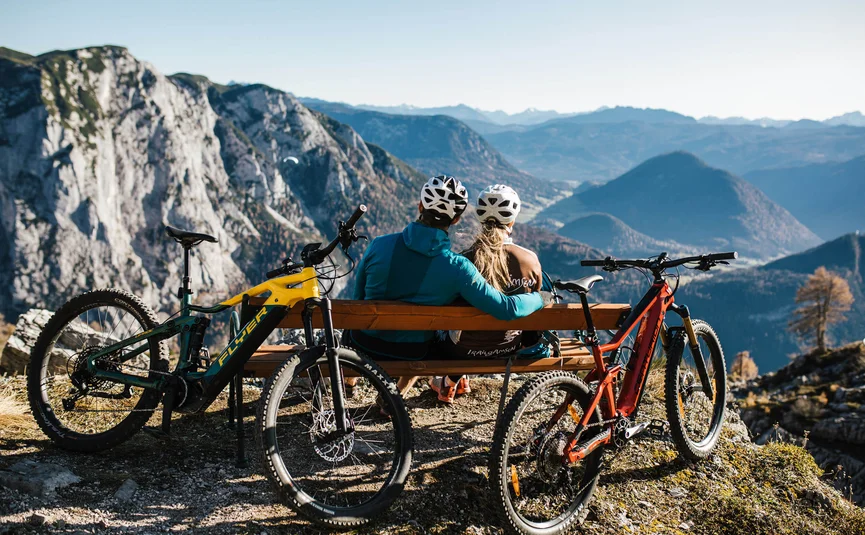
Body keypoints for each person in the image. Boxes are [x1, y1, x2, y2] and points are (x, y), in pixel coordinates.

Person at [345, 175, 549, 399]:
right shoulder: (458, 267)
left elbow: (357, 301)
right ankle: (393, 398)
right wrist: (541, 298)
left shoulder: (379, 245)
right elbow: (505, 308)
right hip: (413, 352)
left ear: (420, 206)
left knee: (352, 327)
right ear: (456, 220)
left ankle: (349, 383)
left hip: (363, 343)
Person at [429, 184, 544, 402]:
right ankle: (452, 380)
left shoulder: (464, 260)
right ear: (512, 221)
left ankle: (448, 380)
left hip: (461, 350)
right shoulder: (530, 260)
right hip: (508, 347)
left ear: (481, 218)